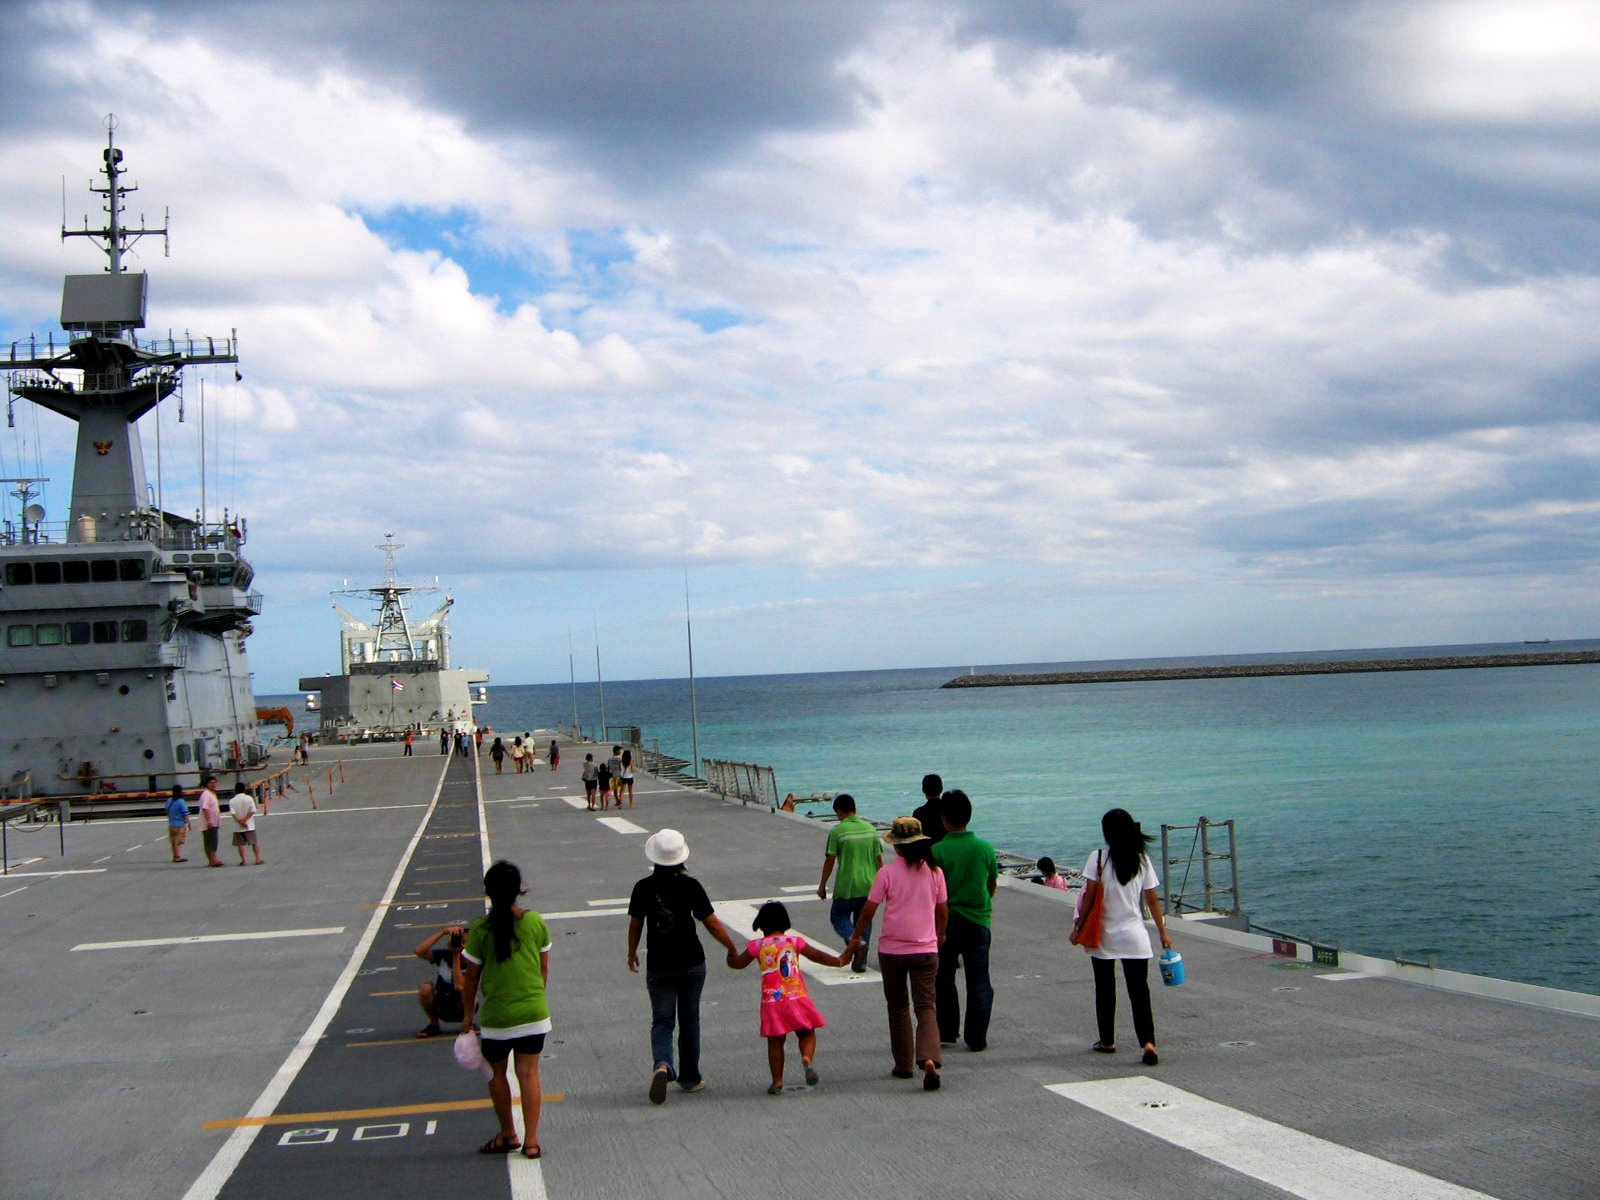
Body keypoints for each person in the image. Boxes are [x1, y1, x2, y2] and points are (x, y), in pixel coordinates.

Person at [626, 828, 737, 1103]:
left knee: (662, 1020)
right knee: (689, 1020)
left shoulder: (643, 887)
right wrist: (731, 947)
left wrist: (631, 952)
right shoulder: (691, 885)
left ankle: (662, 1064)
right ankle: (690, 1077)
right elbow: (710, 921)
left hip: (659, 963)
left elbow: (636, 924)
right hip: (691, 961)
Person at [844, 816, 948, 1092]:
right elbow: (942, 909)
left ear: (897, 847)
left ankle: (903, 1064)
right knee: (926, 1006)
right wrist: (941, 933)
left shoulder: (887, 874)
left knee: (898, 1007)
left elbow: (869, 910)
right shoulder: (935, 873)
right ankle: (929, 1058)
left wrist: (856, 938)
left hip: (892, 950)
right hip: (926, 948)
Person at [460, 861, 551, 1159]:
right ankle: (532, 1141)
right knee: (529, 1074)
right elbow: (542, 972)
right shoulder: (535, 921)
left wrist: (467, 1017)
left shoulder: (480, 929)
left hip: (497, 1016)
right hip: (533, 1012)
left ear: (488, 892)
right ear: (518, 890)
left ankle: (508, 1133)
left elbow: (471, 976)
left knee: (496, 1075)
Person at [1072, 807, 1173, 1066]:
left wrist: (1077, 929)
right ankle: (1148, 1043)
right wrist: (1163, 932)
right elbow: (1152, 899)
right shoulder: (1141, 860)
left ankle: (1107, 1040)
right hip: (1135, 936)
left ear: (1106, 832)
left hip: (1104, 936)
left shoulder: (1098, 858)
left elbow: (1091, 898)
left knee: (1105, 989)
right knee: (1139, 991)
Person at [725, 901, 846, 1093]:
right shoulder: (794, 942)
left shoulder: (757, 946)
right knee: (807, 1032)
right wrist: (839, 961)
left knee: (775, 1041)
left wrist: (730, 958)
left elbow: (738, 963)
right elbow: (818, 956)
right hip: (796, 996)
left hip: (772, 1001)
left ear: (761, 924)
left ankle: (778, 1081)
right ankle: (806, 1058)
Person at [932, 789, 998, 1052]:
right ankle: (977, 1037)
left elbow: (933, 892)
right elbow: (991, 882)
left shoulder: (937, 851)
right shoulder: (985, 848)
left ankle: (948, 1031)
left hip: (946, 921)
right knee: (979, 979)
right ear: (969, 816)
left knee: (944, 978)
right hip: (977, 919)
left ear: (944, 819)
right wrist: (985, 904)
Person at [816, 793, 882, 972]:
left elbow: (830, 860)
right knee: (864, 919)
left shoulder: (838, 831)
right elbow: (879, 861)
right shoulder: (871, 830)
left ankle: (856, 941)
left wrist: (822, 886)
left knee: (838, 916)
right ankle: (861, 959)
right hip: (869, 885)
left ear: (839, 812)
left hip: (847, 885)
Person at [414, 924, 467, 1037]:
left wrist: (456, 956)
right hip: (442, 1001)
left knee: (466, 992)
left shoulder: (472, 960)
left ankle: (469, 1022)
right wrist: (443, 932)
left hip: (462, 1005)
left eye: (465, 942)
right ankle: (434, 1024)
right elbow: (419, 951)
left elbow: (460, 986)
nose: (461, 945)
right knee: (425, 988)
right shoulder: (444, 955)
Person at [229, 781, 263, 865]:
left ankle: (244, 860)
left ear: (235, 790)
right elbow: (253, 810)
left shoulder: (232, 801)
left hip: (238, 825)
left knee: (240, 844)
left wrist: (240, 821)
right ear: (244, 789)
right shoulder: (249, 798)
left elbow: (233, 813)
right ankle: (257, 859)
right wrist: (245, 819)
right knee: (254, 842)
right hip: (250, 825)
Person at [911, 773, 947, 847]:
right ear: (941, 789)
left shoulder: (918, 813)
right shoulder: (948, 810)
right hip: (948, 851)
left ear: (923, 790)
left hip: (927, 853)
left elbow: (915, 839)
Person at [197, 774, 224, 867]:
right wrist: (209, 821)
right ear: (207, 784)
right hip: (209, 822)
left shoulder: (212, 794)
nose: (213, 784)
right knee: (211, 841)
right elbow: (205, 808)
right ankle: (213, 860)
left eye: (214, 782)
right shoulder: (206, 794)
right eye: (211, 783)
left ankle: (213, 859)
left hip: (214, 821)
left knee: (213, 841)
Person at [165, 784, 191, 863]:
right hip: (179, 824)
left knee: (173, 841)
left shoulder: (169, 800)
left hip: (171, 824)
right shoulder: (181, 801)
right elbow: (185, 814)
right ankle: (177, 857)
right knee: (178, 842)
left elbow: (167, 811)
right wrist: (189, 823)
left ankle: (175, 855)